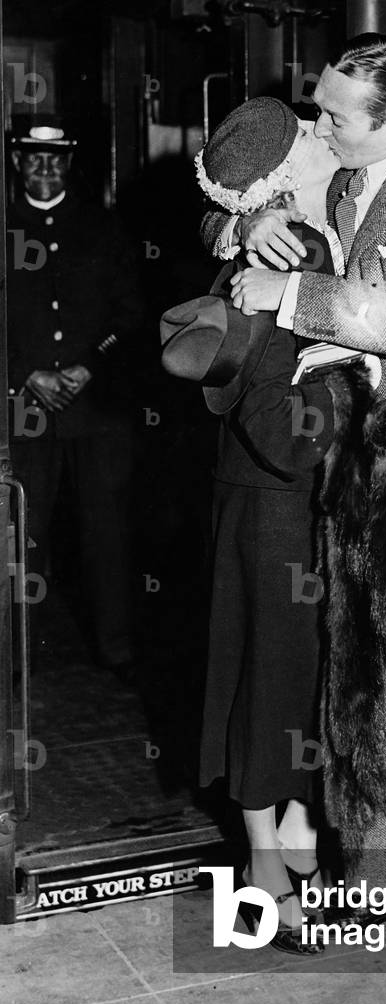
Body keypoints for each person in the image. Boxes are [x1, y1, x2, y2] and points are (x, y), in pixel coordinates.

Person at [202, 34, 386, 1003]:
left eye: (333, 114)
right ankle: (373, 891)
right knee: (362, 703)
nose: (316, 127)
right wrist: (246, 240)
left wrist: (288, 294)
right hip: (359, 482)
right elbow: (249, 212)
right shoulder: (343, 183)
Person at [177, 96, 386, 955]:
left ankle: (291, 839)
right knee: (270, 673)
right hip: (277, 494)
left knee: (293, 675)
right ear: (286, 170)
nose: (329, 137)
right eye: (312, 135)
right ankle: (264, 869)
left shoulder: (283, 226)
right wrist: (350, 380)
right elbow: (267, 397)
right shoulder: (289, 239)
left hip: (284, 496)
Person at [6, 117, 142, 679]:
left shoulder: (101, 227)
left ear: (68, 161)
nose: (44, 167)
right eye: (33, 158)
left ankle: (116, 649)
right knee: (25, 532)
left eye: (55, 157)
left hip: (97, 407)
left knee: (105, 533)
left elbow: (130, 313)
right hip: (27, 408)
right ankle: (20, 654)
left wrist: (90, 366)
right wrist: (25, 374)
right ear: (17, 162)